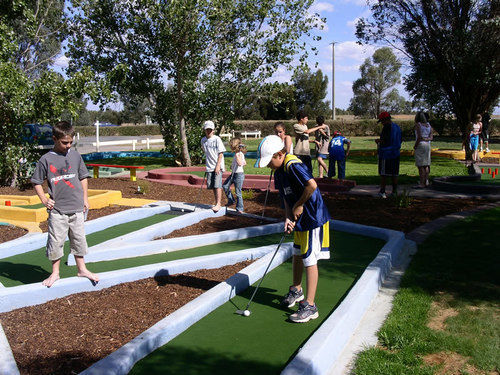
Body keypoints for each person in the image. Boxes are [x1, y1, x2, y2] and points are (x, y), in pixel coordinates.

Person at [254, 135, 331, 323]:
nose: (268, 166)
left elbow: (311, 185)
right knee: (297, 254)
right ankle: (296, 289)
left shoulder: (292, 165)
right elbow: (285, 197)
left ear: (280, 154)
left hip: (313, 218)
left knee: (309, 259)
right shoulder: (279, 171)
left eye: (270, 161)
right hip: (300, 219)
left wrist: (299, 205)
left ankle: (310, 306)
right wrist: (288, 216)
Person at [31, 121, 99, 288]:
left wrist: (85, 199)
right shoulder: (46, 159)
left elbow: (83, 177)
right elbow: (36, 181)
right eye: (64, 142)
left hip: (76, 208)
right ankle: (55, 272)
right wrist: (44, 199)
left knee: (79, 240)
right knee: (56, 242)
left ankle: (81, 269)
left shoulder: (75, 156)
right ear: (55, 139)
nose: (68, 145)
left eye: (70, 142)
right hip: (57, 210)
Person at [201, 120, 226, 212]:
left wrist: (218, 165)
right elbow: (205, 151)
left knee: (217, 185)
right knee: (212, 186)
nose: (208, 131)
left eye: (210, 129)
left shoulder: (217, 139)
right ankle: (216, 202)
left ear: (213, 130)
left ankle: (218, 203)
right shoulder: (203, 140)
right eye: (207, 129)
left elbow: (221, 153)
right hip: (209, 166)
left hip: (217, 166)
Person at [375, 111, 402, 198]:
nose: (382, 123)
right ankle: (394, 192)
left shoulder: (387, 127)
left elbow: (385, 140)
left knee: (384, 174)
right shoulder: (397, 127)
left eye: (382, 121)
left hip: (386, 154)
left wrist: (378, 141)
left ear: (385, 119)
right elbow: (401, 139)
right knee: (394, 174)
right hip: (396, 153)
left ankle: (382, 192)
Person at [222, 138, 246, 213]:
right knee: (225, 186)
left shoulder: (239, 154)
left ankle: (240, 208)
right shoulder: (238, 154)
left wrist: (237, 157)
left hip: (239, 175)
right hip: (233, 174)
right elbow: (244, 163)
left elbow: (241, 163)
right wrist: (232, 166)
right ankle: (231, 200)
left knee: (238, 192)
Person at [413, 111, 433, 188]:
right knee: (426, 164)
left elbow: (419, 137)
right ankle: (426, 181)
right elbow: (431, 137)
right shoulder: (429, 125)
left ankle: (422, 183)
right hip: (427, 145)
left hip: (420, 145)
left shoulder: (418, 125)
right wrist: (427, 139)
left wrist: (415, 146)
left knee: (420, 165)